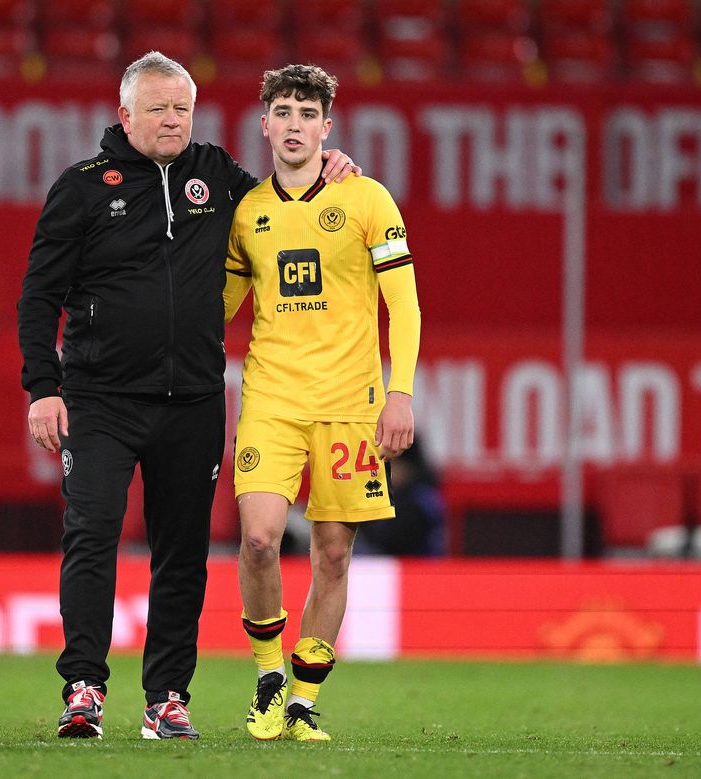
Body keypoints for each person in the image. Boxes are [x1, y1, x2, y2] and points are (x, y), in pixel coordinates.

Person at [17, 51, 358, 741]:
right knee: (93, 536)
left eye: (182, 108)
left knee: (183, 551)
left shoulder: (217, 175)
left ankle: (166, 696)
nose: (173, 120)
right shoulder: (82, 188)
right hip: (100, 398)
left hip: (193, 400)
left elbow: (283, 198)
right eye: (158, 108)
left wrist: (330, 167)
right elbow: (38, 297)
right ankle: (83, 686)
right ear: (125, 115)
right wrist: (41, 388)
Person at [222, 64, 420, 742]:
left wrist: (400, 393)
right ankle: (270, 676)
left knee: (333, 553)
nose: (296, 125)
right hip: (272, 397)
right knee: (257, 540)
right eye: (284, 112)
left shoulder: (366, 198)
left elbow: (405, 303)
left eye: (309, 114)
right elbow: (220, 306)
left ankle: (303, 699)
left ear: (327, 127)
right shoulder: (247, 212)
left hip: (350, 403)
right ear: (266, 124)